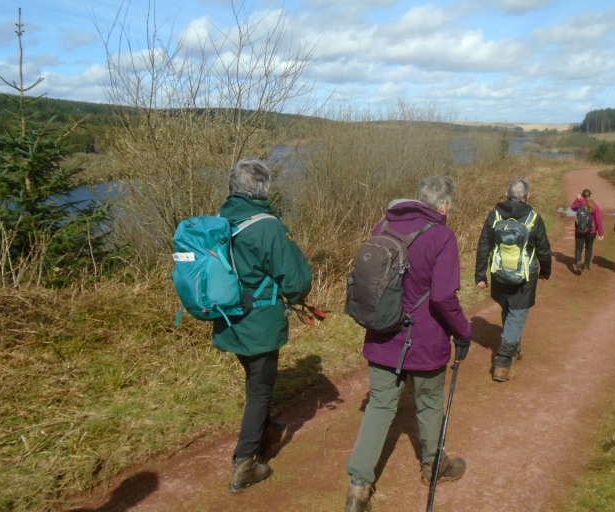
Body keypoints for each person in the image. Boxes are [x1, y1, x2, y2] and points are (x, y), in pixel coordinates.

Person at [344, 176, 473, 512]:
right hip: (425, 341)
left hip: (382, 333)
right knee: (429, 402)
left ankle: (358, 489)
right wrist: (463, 331)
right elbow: (444, 297)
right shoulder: (442, 236)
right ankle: (433, 467)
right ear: (444, 206)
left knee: (380, 406)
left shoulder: (383, 225)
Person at [213, 159, 313, 493]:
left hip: (228, 318)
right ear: (263, 189)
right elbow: (297, 282)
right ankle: (244, 464)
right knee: (260, 387)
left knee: (255, 378)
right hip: (259, 321)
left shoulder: (218, 220)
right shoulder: (268, 226)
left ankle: (266, 431)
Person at [475, 177, 552, 382]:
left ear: (507, 195)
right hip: (525, 276)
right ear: (528, 197)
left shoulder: (495, 215)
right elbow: (544, 249)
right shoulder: (534, 218)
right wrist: (546, 271)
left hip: (499, 274)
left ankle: (514, 345)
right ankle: (503, 361)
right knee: (517, 313)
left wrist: (480, 274)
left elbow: (484, 245)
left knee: (508, 308)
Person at [570, 189, 604, 273]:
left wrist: (578, 198)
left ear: (582, 196)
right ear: (591, 195)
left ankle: (578, 262)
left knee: (579, 248)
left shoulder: (579, 204)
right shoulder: (595, 206)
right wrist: (601, 233)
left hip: (579, 230)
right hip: (591, 232)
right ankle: (586, 266)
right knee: (588, 248)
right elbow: (598, 221)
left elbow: (572, 208)